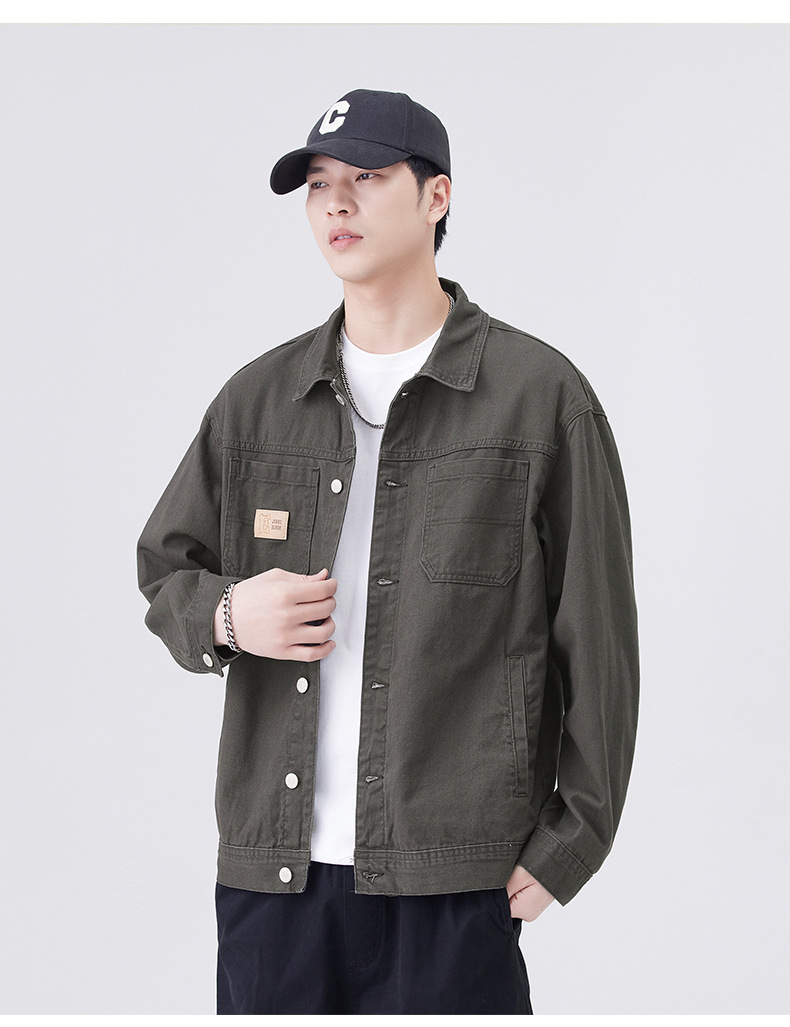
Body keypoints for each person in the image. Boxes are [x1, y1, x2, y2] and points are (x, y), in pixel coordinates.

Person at [136, 88, 640, 1015]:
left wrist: (572, 843)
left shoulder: (540, 399)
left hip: (453, 882)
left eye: (367, 176)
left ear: (437, 196)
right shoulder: (256, 402)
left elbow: (598, 642)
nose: (336, 201)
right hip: (273, 884)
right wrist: (226, 614)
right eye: (318, 183)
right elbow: (166, 570)